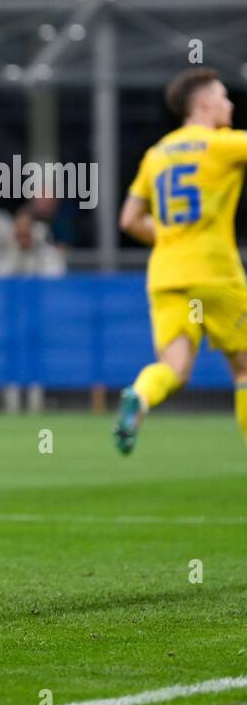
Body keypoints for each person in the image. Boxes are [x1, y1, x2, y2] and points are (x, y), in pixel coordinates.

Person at [114, 68, 247, 454]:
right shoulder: (222, 145)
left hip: (166, 273)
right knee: (243, 368)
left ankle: (140, 395)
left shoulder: (156, 154)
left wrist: (173, 238)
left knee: (173, 366)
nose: (230, 103)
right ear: (204, 103)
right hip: (215, 271)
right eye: (224, 97)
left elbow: (129, 219)